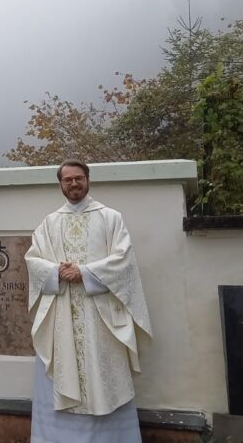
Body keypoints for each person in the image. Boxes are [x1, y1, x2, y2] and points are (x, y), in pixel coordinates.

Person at [24, 159, 153, 443]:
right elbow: (33, 260)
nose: (73, 184)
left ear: (88, 179)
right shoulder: (49, 222)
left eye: (78, 178)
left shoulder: (110, 218)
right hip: (61, 316)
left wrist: (84, 272)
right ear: (60, 184)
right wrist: (57, 271)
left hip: (100, 318)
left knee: (102, 382)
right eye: (67, 180)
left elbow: (124, 261)